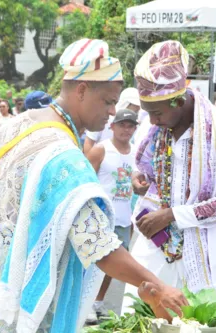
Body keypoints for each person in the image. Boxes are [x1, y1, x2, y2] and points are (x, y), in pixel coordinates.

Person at [0, 38, 187, 333]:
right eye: (109, 101)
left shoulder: (28, 121)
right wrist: (160, 286)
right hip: (13, 297)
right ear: (82, 90)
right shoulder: (64, 155)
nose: (113, 112)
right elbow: (98, 244)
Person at [122, 40, 216, 314]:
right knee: (138, 319)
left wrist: (171, 215)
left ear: (180, 99)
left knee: (200, 324)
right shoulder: (153, 125)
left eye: (156, 112)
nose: (151, 120)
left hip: (204, 253)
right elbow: (145, 169)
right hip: (155, 246)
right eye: (148, 112)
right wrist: (139, 179)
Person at [86, 109, 138, 322]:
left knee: (113, 266)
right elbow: (85, 181)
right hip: (101, 217)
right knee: (94, 263)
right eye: (122, 125)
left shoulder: (136, 152)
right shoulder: (100, 150)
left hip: (124, 219)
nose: (126, 129)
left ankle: (97, 302)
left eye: (130, 125)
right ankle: (86, 303)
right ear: (112, 127)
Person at [84, 87, 141, 153]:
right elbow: (89, 142)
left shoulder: (134, 124)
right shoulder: (104, 117)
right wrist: (89, 161)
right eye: (135, 106)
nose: (137, 110)